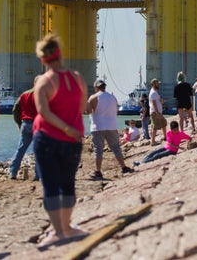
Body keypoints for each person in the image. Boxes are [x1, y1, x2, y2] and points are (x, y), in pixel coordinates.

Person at [32, 33, 88, 245]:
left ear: (43, 59)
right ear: (60, 53)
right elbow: (82, 107)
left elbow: (43, 112)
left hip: (47, 138)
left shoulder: (45, 82)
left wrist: (62, 127)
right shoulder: (78, 78)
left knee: (51, 186)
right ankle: (67, 227)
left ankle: (58, 232)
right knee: (68, 184)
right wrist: (69, 127)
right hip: (73, 140)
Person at [86, 78, 135, 180]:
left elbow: (87, 111)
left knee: (98, 149)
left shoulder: (93, 97)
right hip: (111, 126)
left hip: (97, 127)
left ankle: (98, 172)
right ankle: (124, 167)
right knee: (116, 147)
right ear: (104, 87)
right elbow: (116, 111)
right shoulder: (113, 97)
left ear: (96, 87)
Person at [9, 85, 39, 181]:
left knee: (20, 149)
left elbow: (15, 109)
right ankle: (38, 175)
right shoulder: (42, 94)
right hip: (38, 124)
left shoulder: (24, 94)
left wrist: (19, 123)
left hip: (25, 123)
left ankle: (12, 172)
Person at [149, 79, 168, 145]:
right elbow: (154, 103)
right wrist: (157, 113)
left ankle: (165, 137)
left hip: (158, 112)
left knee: (164, 123)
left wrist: (161, 101)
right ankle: (153, 141)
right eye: (157, 83)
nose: (159, 84)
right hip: (155, 112)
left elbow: (157, 101)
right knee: (155, 126)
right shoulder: (153, 92)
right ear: (154, 84)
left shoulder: (155, 92)